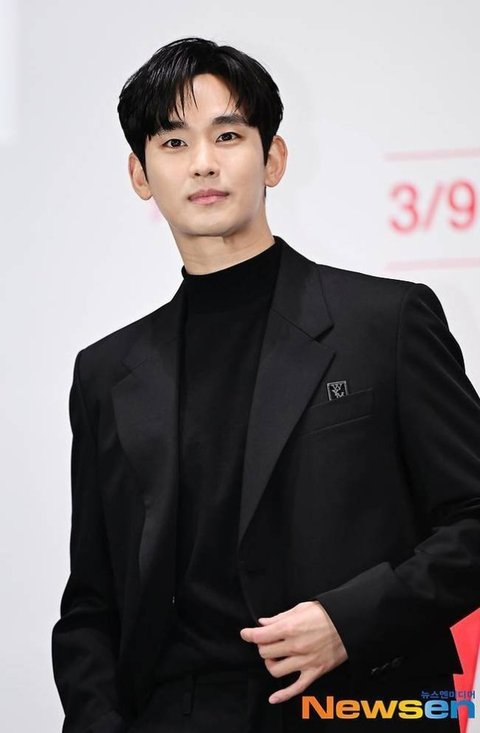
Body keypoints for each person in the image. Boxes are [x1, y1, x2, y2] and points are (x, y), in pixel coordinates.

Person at [51, 37, 480, 732]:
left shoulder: (386, 323)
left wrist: (352, 620)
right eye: (173, 142)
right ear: (140, 174)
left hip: (352, 702)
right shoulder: (106, 373)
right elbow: (92, 605)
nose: (203, 162)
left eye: (228, 135)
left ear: (273, 157)